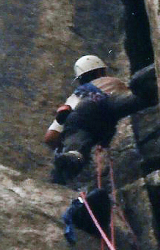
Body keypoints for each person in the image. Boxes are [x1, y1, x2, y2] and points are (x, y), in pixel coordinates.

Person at [44, 54, 140, 183]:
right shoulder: (114, 82)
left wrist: (63, 144)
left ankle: (74, 155)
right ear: (101, 71)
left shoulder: (77, 95)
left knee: (77, 137)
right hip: (111, 111)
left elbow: (50, 137)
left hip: (86, 115)